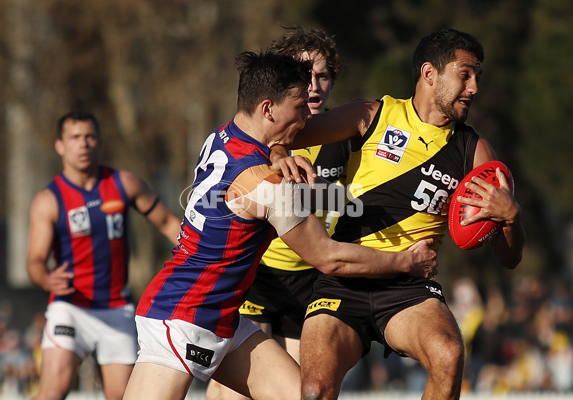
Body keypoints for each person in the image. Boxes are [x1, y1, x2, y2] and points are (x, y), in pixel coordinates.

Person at [121, 50, 438, 400]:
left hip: (224, 319)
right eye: (300, 106)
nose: (308, 116)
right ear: (268, 108)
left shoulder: (223, 135)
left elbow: (262, 160)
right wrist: (407, 262)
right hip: (182, 318)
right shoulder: (267, 186)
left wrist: (279, 152)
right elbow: (329, 258)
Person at [287, 28, 526, 400]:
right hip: (344, 280)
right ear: (430, 74)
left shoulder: (475, 152)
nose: (474, 87)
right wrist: (275, 154)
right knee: (314, 389)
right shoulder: (371, 115)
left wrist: (510, 218)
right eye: (465, 74)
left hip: (409, 288)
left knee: (448, 354)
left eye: (478, 75)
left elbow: (509, 259)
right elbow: (285, 134)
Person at [206, 26, 349, 400]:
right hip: (261, 271)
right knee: (233, 391)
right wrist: (279, 153)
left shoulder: (346, 133)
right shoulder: (268, 131)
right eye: (304, 75)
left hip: (310, 280)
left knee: (303, 390)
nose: (314, 86)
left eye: (322, 76)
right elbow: (253, 152)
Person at [26, 111, 181, 400]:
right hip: (71, 307)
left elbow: (168, 223)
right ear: (60, 146)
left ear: (99, 142)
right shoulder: (48, 200)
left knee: (124, 396)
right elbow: (35, 261)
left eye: (90, 137)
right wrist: (47, 279)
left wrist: (203, 256)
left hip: (116, 308)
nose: (83, 144)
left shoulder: (124, 183)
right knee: (53, 391)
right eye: (75, 138)